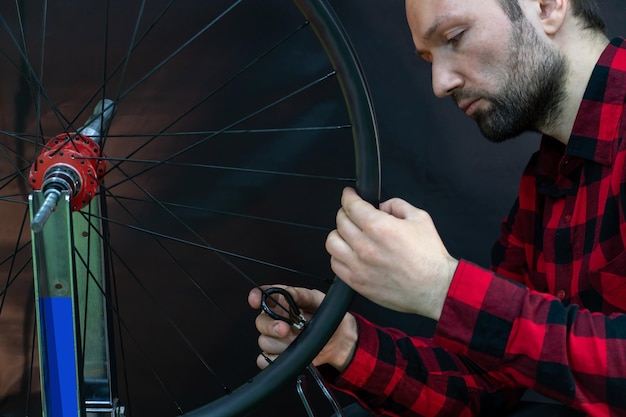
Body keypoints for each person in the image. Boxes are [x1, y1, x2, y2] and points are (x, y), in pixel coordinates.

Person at [249, 0, 626, 415]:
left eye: (454, 37)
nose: (440, 83)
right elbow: (492, 380)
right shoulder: (547, 180)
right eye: (429, 58)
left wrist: (443, 288)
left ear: (547, 5)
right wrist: (344, 345)